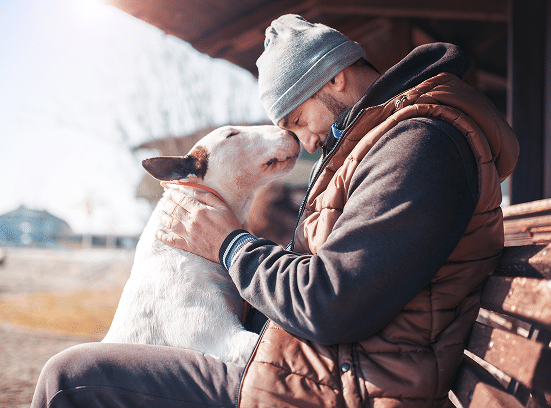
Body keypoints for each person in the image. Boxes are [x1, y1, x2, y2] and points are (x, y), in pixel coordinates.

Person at [31, 14, 519, 408]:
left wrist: (229, 243)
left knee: (70, 378)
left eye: (297, 118)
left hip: (340, 388)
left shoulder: (419, 146)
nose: (304, 140)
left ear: (336, 76)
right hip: (319, 366)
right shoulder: (389, 145)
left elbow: (330, 302)